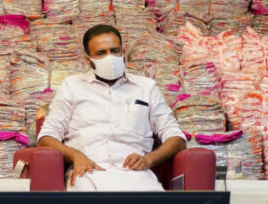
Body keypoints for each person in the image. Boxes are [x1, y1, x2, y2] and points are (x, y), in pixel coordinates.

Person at [37, 24, 186, 191]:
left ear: (123, 52)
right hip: (87, 171)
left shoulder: (146, 87)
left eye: (115, 51)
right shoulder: (72, 86)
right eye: (101, 53)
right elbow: (46, 137)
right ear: (88, 60)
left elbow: (176, 138)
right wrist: (75, 156)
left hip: (136, 173)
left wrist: (148, 160)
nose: (110, 57)